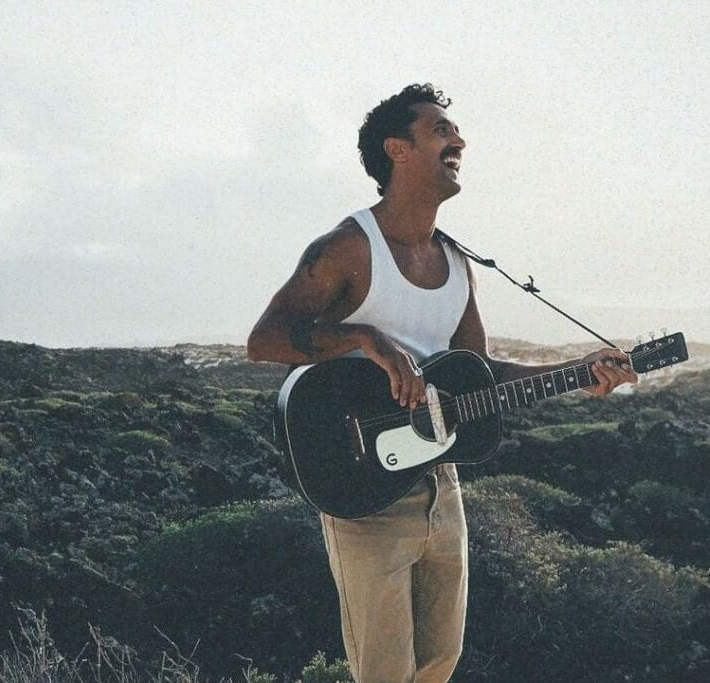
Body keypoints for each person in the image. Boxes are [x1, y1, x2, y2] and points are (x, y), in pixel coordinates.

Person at [247, 83, 637, 683]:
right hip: (363, 490)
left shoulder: (457, 264)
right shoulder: (350, 248)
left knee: (436, 666)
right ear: (397, 150)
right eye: (440, 131)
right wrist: (363, 339)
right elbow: (265, 339)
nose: (458, 140)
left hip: (440, 478)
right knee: (384, 673)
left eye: (453, 132)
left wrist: (579, 373)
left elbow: (482, 374)